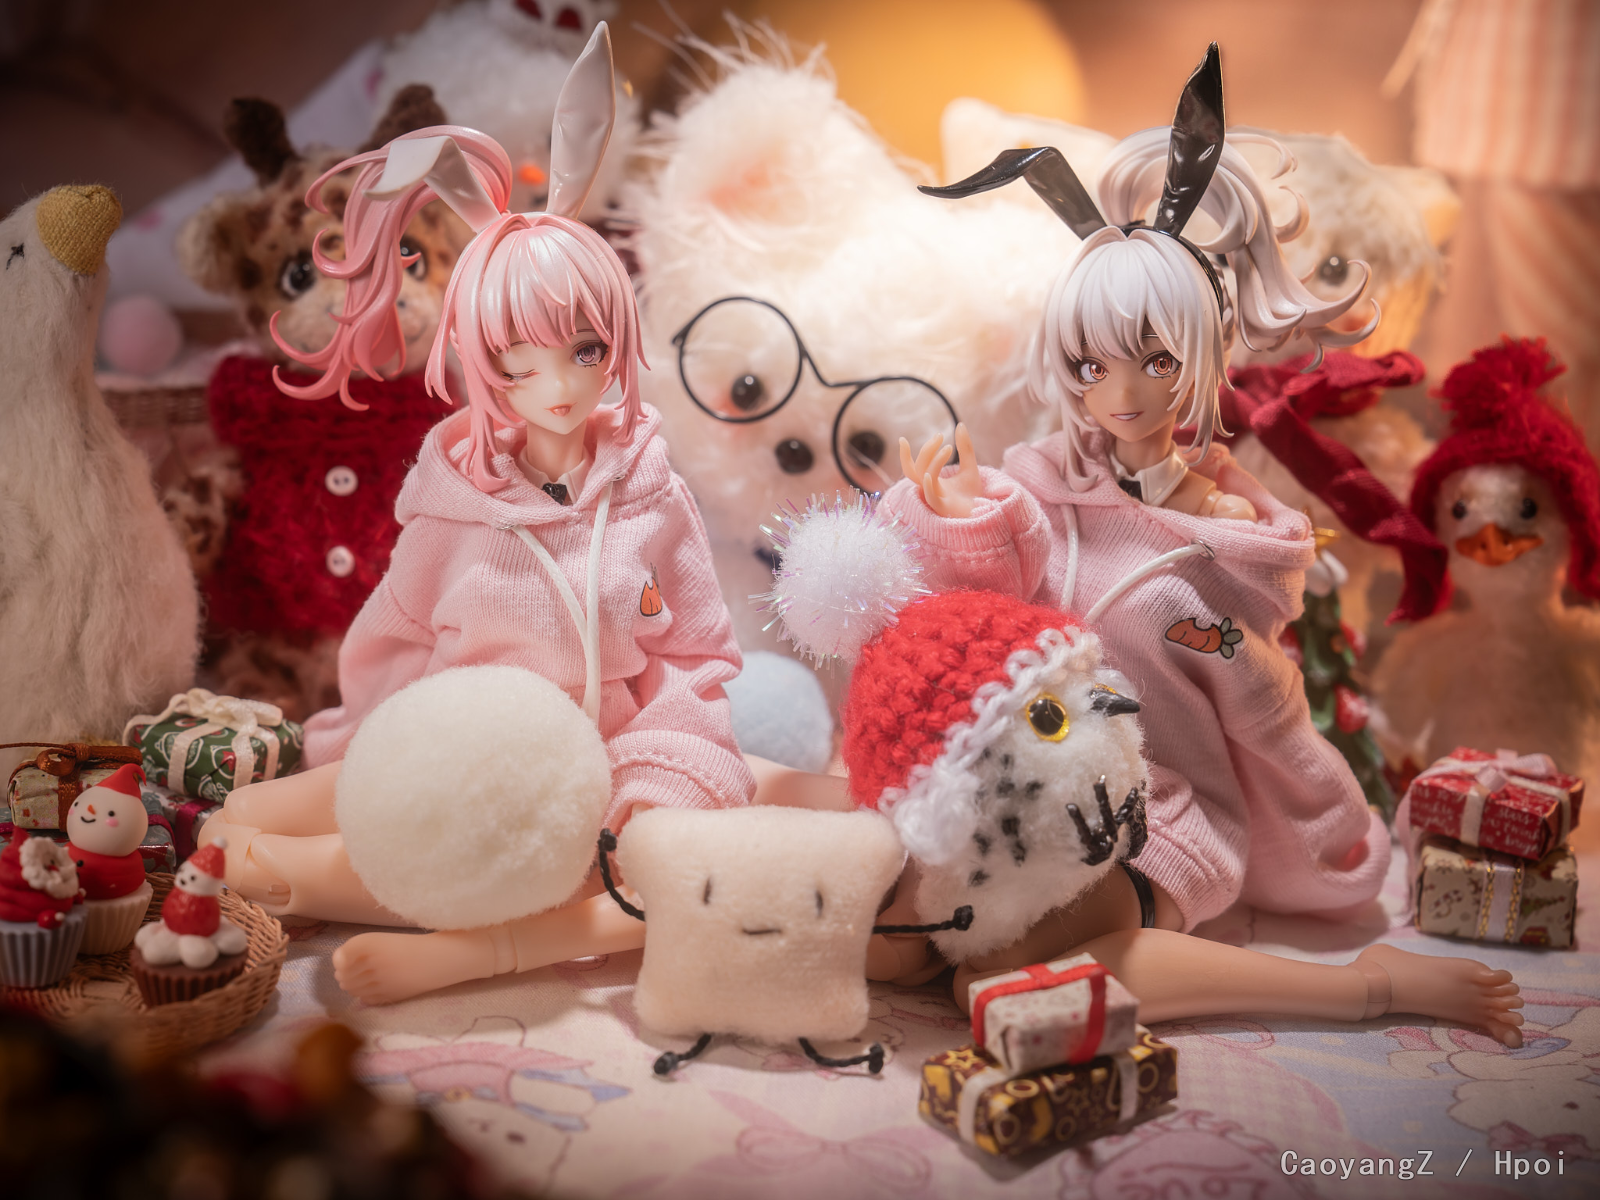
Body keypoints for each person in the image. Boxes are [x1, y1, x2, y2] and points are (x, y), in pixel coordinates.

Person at [867, 45, 1523, 1046]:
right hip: (1023, 790)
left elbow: (1257, 692)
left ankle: (1366, 988)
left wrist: (1224, 665)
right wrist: (959, 514)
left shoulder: (1228, 536)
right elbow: (984, 620)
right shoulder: (1039, 487)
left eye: (1154, 359)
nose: (1121, 392)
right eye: (1091, 364)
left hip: (1153, 813)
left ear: (1202, 354)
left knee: (998, 980)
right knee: (892, 948)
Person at [202, 25, 755, 1006]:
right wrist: (372, 751)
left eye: (586, 351)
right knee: (249, 816)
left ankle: (372, 903)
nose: (559, 386)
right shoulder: (453, 500)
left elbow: (696, 653)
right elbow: (398, 637)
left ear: (616, 341)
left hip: (591, 774)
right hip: (461, 751)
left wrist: (663, 766)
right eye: (517, 360)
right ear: (478, 359)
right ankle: (290, 852)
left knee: (632, 872)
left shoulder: (649, 491)